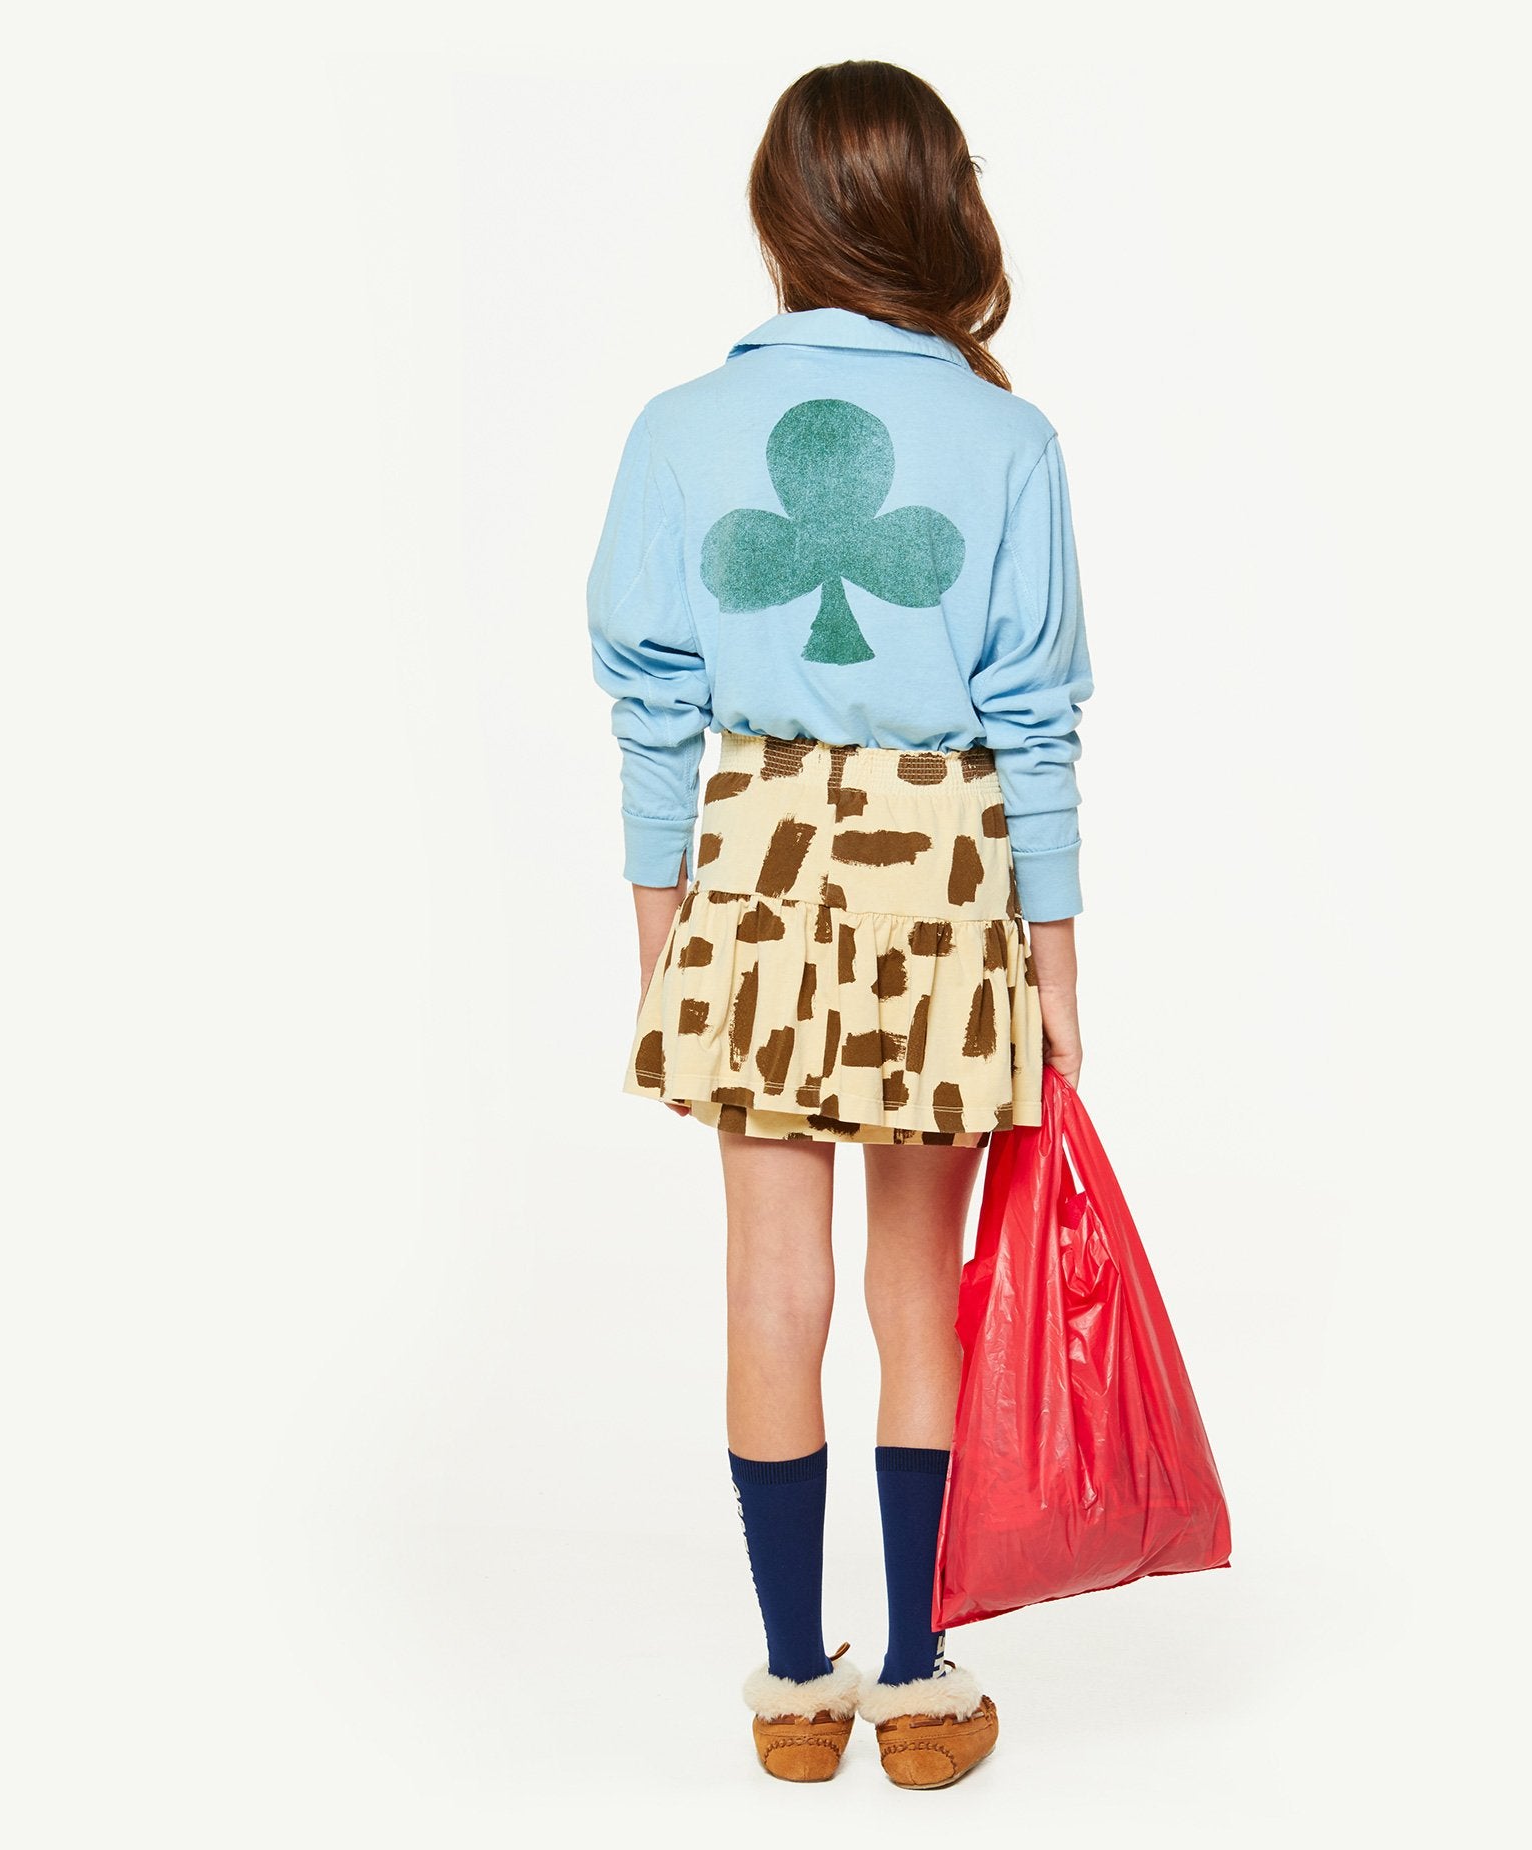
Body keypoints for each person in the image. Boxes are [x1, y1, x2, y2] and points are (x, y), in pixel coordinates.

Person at [587, 60, 1091, 1789]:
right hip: (943, 866)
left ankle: (797, 1687)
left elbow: (651, 705)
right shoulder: (1010, 439)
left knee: (769, 1275)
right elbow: (1036, 722)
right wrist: (1055, 966)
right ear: (939, 207)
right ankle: (920, 1680)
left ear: (780, 216)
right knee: (914, 1288)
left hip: (753, 849)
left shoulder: (678, 428)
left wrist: (663, 933)